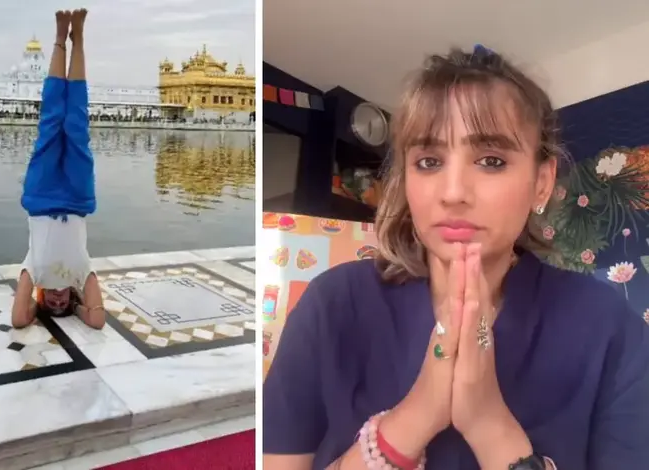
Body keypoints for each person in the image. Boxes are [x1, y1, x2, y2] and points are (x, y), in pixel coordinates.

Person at [263, 46, 649, 470]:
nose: (452, 192)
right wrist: (419, 412)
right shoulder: (333, 304)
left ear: (541, 182)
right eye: (428, 161)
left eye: (490, 161)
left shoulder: (609, 329)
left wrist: (488, 422)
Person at [11, 9, 105, 330]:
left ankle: (58, 39)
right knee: (76, 123)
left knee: (51, 122)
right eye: (62, 304)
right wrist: (78, 307)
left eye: (52, 305)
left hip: (41, 195)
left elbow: (19, 319)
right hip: (77, 199)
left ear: (40, 297)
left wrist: (35, 308)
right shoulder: (81, 273)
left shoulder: (32, 270)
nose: (58, 301)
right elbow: (97, 319)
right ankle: (77, 39)